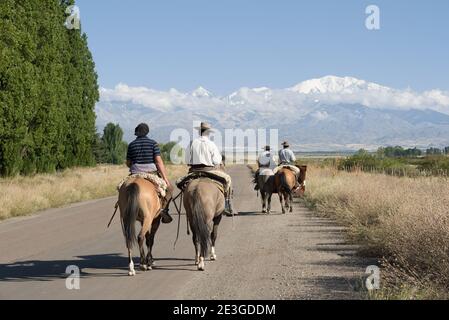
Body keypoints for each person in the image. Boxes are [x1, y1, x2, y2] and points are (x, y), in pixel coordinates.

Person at [185, 122, 237, 215]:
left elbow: (187, 160)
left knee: (181, 184)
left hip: (193, 171)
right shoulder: (211, 144)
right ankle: (228, 204)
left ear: (199, 132)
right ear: (208, 133)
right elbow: (217, 161)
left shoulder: (191, 143)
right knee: (228, 179)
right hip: (209, 170)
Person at [126, 123, 173, 224]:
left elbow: (128, 163)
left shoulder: (131, 145)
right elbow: (158, 162)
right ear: (147, 132)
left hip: (135, 173)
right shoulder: (153, 144)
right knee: (169, 188)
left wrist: (133, 166)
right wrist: (165, 178)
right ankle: (163, 210)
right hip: (151, 173)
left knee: (122, 188)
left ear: (137, 133)